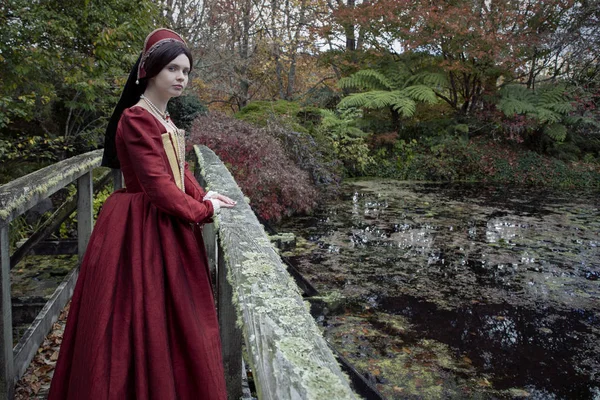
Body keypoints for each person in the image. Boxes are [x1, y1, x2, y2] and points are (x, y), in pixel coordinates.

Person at [48, 28, 235, 400]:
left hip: (162, 223)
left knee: (172, 315)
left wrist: (203, 193)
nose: (181, 77)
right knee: (137, 312)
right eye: (173, 69)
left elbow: (177, 172)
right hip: (141, 227)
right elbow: (158, 186)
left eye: (186, 70)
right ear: (149, 71)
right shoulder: (136, 118)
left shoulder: (162, 117)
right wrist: (203, 210)